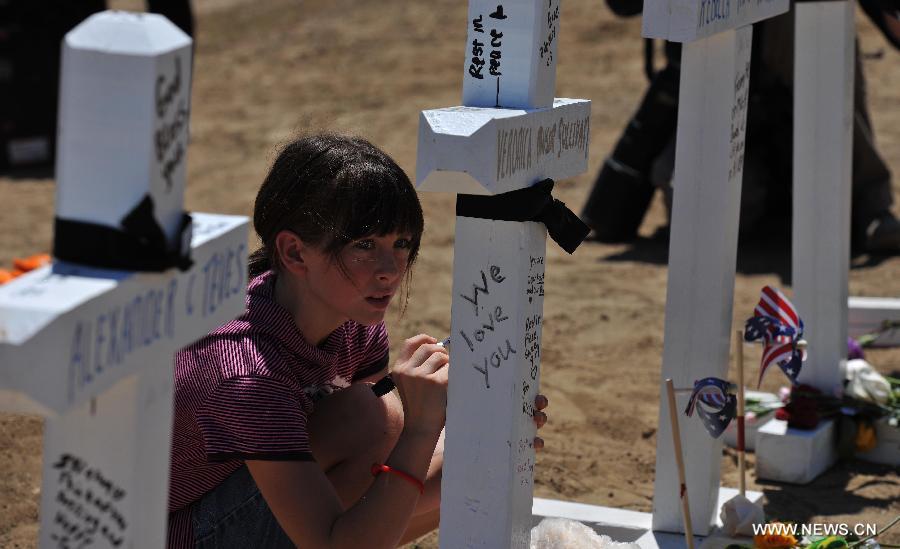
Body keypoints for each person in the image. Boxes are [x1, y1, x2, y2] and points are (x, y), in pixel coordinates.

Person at [166, 134, 549, 548]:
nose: (390, 270)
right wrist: (423, 428)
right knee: (373, 417)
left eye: (401, 244)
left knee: (432, 441)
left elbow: (376, 473)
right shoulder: (247, 373)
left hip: (256, 509)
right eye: (364, 245)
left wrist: (489, 442)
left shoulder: (353, 324)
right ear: (295, 253)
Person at [582, 1, 900, 255]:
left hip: (800, 81)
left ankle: (870, 204)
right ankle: (779, 196)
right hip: (717, 85)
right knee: (700, 218)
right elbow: (622, 4)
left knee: (817, 16)